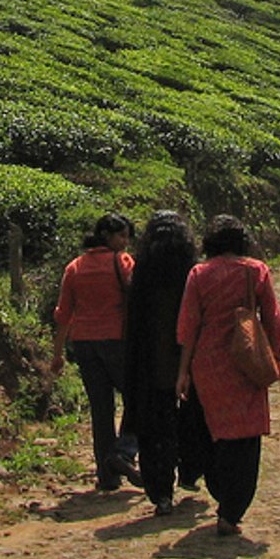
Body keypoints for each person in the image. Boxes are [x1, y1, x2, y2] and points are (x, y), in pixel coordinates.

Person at [176, 215, 280, 536]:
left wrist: (183, 371)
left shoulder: (198, 274)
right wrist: (274, 355)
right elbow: (274, 319)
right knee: (247, 435)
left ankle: (219, 489)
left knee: (215, 431)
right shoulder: (256, 271)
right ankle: (232, 510)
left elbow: (188, 326)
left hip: (207, 363)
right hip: (247, 361)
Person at [122, 210, 212, 516]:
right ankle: (189, 472)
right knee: (191, 421)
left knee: (154, 427)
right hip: (190, 361)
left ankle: (161, 491)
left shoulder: (142, 275)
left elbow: (132, 325)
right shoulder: (193, 273)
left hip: (152, 363)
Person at [53, 213, 139, 490]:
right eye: (122, 236)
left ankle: (107, 474)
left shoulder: (75, 267)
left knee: (101, 409)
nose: (125, 242)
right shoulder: (122, 262)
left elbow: (64, 315)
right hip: (118, 342)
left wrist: (57, 355)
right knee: (137, 400)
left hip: (84, 345)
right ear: (107, 235)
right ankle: (122, 452)